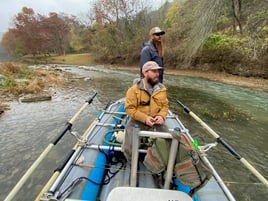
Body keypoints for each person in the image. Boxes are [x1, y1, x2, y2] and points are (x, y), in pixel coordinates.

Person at [122, 61, 169, 163]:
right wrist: (145, 118)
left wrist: (161, 116)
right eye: (154, 71)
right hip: (138, 121)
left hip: (156, 120)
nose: (157, 74)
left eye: (158, 71)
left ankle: (159, 165)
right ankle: (132, 161)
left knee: (168, 141)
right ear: (145, 73)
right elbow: (129, 108)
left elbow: (165, 106)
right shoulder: (133, 90)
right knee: (129, 146)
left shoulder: (162, 89)